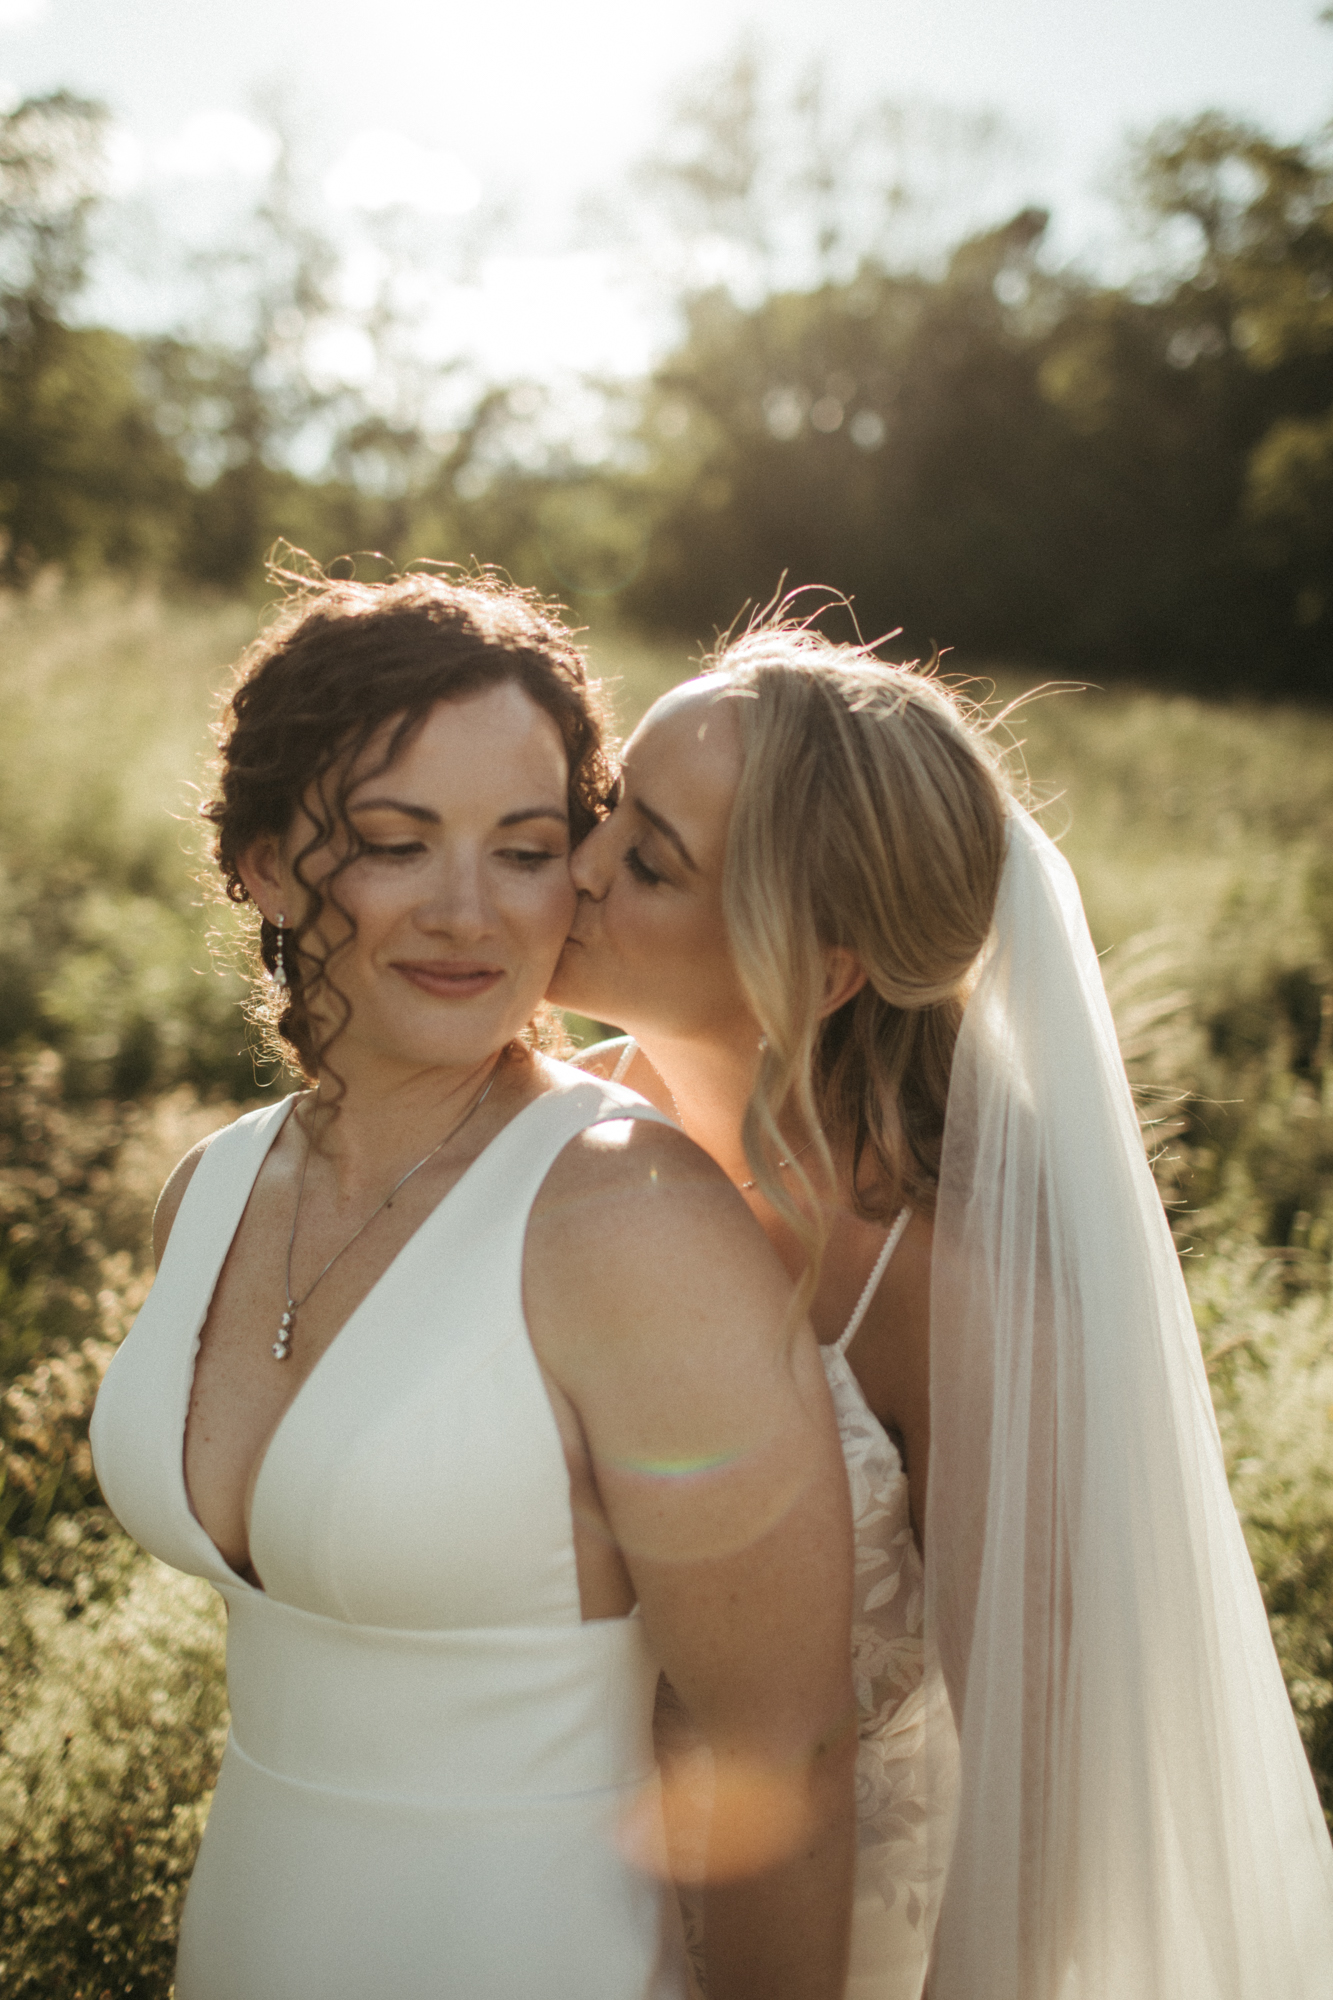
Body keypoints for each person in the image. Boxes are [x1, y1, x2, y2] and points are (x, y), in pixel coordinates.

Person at [89, 572, 857, 2000]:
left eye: (525, 850)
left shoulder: (625, 1220)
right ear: (265, 863)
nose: (468, 913)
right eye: (397, 843)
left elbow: (784, 1756)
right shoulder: (209, 1191)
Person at [551, 618, 1333, 2000]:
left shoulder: (952, 1288)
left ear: (822, 969)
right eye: (610, 801)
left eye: (651, 860)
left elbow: (1044, 1817)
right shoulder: (552, 1127)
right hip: (532, 1908)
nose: (580, 862)